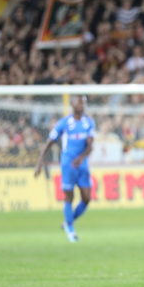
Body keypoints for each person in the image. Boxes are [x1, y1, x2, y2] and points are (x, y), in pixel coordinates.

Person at [35, 95, 95, 241]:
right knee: (69, 196)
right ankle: (71, 230)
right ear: (72, 104)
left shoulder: (89, 123)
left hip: (82, 165)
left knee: (86, 198)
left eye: (83, 102)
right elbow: (50, 142)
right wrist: (40, 161)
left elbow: (90, 145)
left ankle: (68, 221)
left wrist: (81, 158)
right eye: (79, 102)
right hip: (68, 164)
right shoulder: (64, 123)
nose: (81, 104)